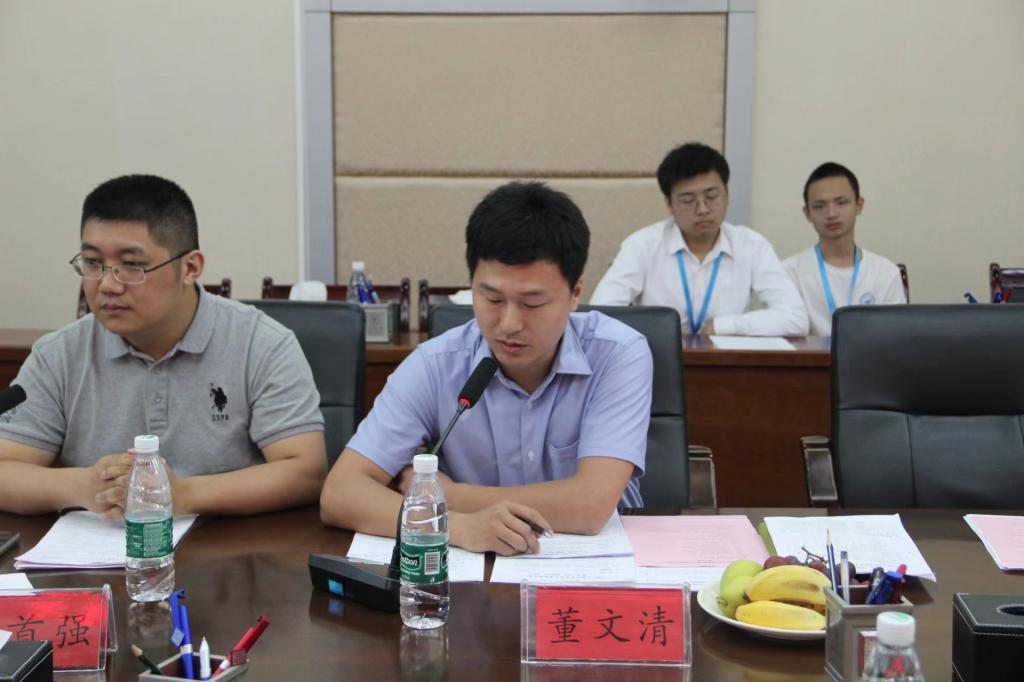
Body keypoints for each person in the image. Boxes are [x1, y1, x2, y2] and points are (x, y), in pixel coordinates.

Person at [321, 182, 653, 555]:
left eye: (532, 303)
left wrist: (450, 496)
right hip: (476, 568)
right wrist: (459, 525)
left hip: (600, 565)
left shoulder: (618, 354)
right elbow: (340, 494)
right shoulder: (435, 365)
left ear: (575, 294)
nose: (509, 324)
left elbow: (590, 507)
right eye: (492, 298)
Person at [0, 175, 326, 517]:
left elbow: (306, 471)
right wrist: (84, 486)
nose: (107, 285)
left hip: (229, 546)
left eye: (131, 265)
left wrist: (182, 495)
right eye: (93, 263)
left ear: (190, 268)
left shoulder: (261, 344)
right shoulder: (59, 355)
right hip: (100, 547)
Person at [591, 142, 808, 337]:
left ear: (727, 196)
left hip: (726, 363)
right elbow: (600, 314)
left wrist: (724, 326)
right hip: (656, 361)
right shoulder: (642, 245)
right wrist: (660, 333)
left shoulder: (752, 246)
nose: (703, 209)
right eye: (688, 200)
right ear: (669, 204)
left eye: (712, 197)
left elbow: (795, 318)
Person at [783, 162, 906, 336]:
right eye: (819, 206)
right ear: (807, 213)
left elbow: (895, 338)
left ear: (859, 205)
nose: (831, 214)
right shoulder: (789, 273)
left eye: (841, 202)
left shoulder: (886, 272)